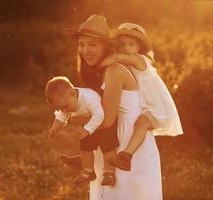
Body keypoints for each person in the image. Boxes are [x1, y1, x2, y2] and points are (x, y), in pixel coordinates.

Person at [70, 14, 163, 199]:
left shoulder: (114, 70)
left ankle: (83, 160)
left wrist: (74, 119)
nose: (85, 50)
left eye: (92, 44)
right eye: (82, 44)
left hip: (125, 143)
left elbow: (106, 119)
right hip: (112, 141)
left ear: (106, 46)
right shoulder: (105, 70)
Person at [99, 23, 184, 171]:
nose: (126, 48)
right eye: (122, 44)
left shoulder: (139, 60)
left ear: (139, 48)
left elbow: (115, 58)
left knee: (141, 125)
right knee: (139, 124)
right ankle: (122, 157)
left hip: (158, 107)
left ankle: (126, 155)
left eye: (131, 45)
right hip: (148, 105)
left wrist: (98, 65)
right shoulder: (129, 62)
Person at [45, 76, 116, 186]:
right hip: (88, 124)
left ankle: (109, 173)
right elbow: (61, 115)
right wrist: (55, 128)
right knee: (84, 145)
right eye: (62, 108)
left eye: (65, 107)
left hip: (102, 124)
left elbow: (99, 115)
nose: (65, 110)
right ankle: (88, 171)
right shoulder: (67, 101)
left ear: (72, 92)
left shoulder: (89, 98)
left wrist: (87, 129)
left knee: (107, 146)